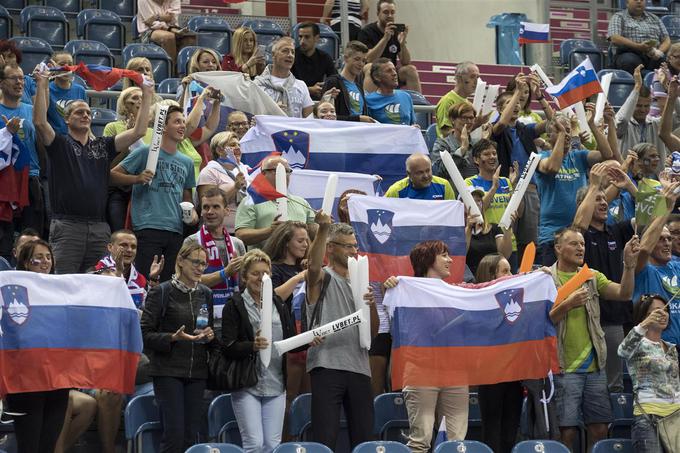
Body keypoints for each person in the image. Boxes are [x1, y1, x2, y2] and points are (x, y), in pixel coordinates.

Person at [33, 66, 153, 274]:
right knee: (64, 284)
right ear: (67, 119)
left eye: (88, 112)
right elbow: (40, 122)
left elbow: (139, 131)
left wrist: (148, 93)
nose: (86, 115)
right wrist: (42, 83)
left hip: (99, 227)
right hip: (67, 225)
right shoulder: (59, 144)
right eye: (79, 112)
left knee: (99, 284)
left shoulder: (103, 145)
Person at [548, 227, 640, 450]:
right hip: (563, 367)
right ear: (558, 248)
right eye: (573, 244)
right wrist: (568, 304)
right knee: (566, 431)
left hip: (595, 367)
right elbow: (544, 322)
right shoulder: (545, 278)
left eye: (582, 244)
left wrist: (628, 265)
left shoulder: (590, 276)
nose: (580, 248)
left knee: (599, 427)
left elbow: (624, 294)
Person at [383, 240, 469, 452]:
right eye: (444, 255)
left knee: (457, 442)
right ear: (428, 260)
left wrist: (529, 278)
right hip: (421, 371)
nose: (450, 260)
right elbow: (396, 328)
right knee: (420, 440)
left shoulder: (458, 291)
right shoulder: (404, 290)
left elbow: (491, 289)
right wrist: (392, 289)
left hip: (455, 373)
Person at [221, 249, 307, 453]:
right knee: (254, 444)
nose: (261, 278)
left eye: (265, 273)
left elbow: (289, 341)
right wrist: (252, 345)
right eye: (255, 273)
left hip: (276, 383)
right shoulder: (234, 305)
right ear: (244, 277)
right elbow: (227, 346)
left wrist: (312, 340)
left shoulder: (278, 303)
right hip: (246, 384)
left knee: (272, 446)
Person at [306, 212, 378, 450]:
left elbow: (373, 333)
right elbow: (313, 266)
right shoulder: (323, 277)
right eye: (347, 247)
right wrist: (323, 229)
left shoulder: (362, 281)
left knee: (365, 438)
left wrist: (372, 305)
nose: (353, 251)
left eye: (355, 246)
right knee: (325, 438)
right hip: (327, 364)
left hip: (359, 365)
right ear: (330, 248)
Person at [140, 242, 217, 453]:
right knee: (174, 436)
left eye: (204, 263)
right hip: (168, 371)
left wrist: (210, 336)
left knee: (191, 437)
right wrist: (171, 338)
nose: (200, 268)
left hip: (197, 373)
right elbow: (144, 334)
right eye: (196, 262)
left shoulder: (206, 294)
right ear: (180, 262)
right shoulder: (162, 292)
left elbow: (206, 330)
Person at [110, 104, 197, 282]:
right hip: (148, 227)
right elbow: (113, 176)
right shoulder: (145, 152)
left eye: (183, 122)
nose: (182, 126)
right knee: (145, 280)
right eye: (177, 122)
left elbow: (186, 195)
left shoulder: (187, 162)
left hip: (175, 229)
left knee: (169, 283)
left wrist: (192, 213)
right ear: (163, 127)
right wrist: (137, 178)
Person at [572, 164, 636, 393]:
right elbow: (578, 225)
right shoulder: (577, 237)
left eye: (605, 199)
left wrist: (630, 186)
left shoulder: (616, 231)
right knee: (586, 384)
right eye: (597, 199)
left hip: (613, 317)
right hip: (583, 317)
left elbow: (651, 217)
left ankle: (613, 428)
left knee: (615, 385)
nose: (604, 202)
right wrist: (594, 186)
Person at [5, 239, 70, 453]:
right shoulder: (9, 289)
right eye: (39, 257)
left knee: (47, 445)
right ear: (25, 261)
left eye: (48, 257)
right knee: (29, 446)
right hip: (25, 382)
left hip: (57, 381)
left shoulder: (63, 291)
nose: (45, 262)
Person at [535, 112, 613, 265]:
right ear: (549, 136)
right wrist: (562, 135)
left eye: (568, 130)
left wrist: (592, 126)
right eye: (559, 130)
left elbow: (607, 154)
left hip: (581, 235)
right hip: (552, 236)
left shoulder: (579, 156)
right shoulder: (540, 158)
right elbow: (553, 167)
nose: (566, 135)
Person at [618, 294, 680, 453]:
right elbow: (622, 351)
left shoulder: (672, 347)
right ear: (644, 316)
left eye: (665, 310)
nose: (663, 314)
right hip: (648, 417)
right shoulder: (637, 344)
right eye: (656, 311)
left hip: (675, 418)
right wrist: (644, 324)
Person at [262, 221, 311, 417]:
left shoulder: (305, 267)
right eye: (300, 240)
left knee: (307, 400)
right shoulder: (273, 268)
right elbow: (272, 297)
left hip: (308, 338)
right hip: (285, 339)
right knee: (288, 398)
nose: (305, 245)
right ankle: (285, 444)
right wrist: (299, 277)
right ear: (285, 243)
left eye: (307, 240)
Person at [474, 253, 520, 453]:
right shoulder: (474, 300)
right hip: (490, 373)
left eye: (511, 270)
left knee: (511, 432)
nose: (511, 275)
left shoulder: (518, 297)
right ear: (491, 275)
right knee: (492, 431)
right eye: (505, 271)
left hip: (515, 371)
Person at [184, 187, 246, 333]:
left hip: (233, 318)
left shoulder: (237, 244)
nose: (210, 211)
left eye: (216, 207)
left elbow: (243, 283)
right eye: (206, 207)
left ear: (226, 211)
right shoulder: (192, 242)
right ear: (201, 212)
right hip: (202, 320)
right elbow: (189, 282)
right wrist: (225, 273)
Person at [0, 64, 44, 245]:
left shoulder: (30, 109)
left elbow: (41, 141)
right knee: (4, 239)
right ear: (1, 83)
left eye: (22, 78)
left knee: (33, 239)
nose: (19, 82)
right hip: (3, 180)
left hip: (30, 177)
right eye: (14, 78)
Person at [633, 182, 680, 347]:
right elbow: (644, 248)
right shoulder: (642, 270)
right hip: (655, 348)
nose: (667, 243)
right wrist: (665, 208)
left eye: (669, 238)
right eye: (661, 239)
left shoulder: (677, 265)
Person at [235, 156, 316, 249]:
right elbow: (240, 235)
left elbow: (314, 233)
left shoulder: (301, 202)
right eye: (278, 170)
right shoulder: (251, 201)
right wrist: (269, 231)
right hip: (265, 261)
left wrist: (322, 224)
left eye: (288, 171)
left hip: (299, 262)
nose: (284, 174)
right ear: (263, 173)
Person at [465, 139, 519, 269]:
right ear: (476, 160)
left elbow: (519, 212)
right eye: (487, 154)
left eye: (494, 153)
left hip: (508, 242)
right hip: (485, 244)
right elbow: (476, 210)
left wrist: (515, 187)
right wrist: (494, 187)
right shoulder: (469, 183)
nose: (492, 157)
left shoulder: (506, 182)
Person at [104, 86, 145, 231]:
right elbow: (109, 163)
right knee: (119, 230)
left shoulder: (154, 130)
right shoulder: (113, 127)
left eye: (142, 97)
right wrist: (128, 140)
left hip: (145, 190)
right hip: (119, 190)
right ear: (124, 104)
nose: (139, 101)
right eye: (134, 98)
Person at [357, 0, 421, 93]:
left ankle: (418, 104)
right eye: (386, 12)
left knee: (410, 70)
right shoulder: (366, 32)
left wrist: (402, 44)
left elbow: (405, 62)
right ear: (378, 13)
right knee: (370, 67)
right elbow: (368, 59)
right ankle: (368, 104)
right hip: (372, 71)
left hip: (390, 71)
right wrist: (385, 38)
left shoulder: (395, 32)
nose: (390, 16)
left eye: (392, 12)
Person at [616, 64, 675, 164]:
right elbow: (622, 119)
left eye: (646, 106)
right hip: (629, 176)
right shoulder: (624, 126)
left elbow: (677, 116)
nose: (643, 110)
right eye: (638, 105)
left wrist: (671, 92)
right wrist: (637, 86)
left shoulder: (656, 124)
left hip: (656, 177)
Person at [96, 229, 165, 309]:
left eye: (133, 247)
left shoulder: (140, 280)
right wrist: (118, 272)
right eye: (124, 245)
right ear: (110, 247)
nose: (129, 250)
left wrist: (153, 278)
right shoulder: (96, 272)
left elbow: (149, 308)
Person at [197, 132, 248, 233]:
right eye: (233, 145)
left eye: (239, 145)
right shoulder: (210, 171)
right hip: (216, 233)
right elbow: (207, 205)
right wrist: (235, 187)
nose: (238, 148)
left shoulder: (244, 171)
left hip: (242, 232)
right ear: (219, 150)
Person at [255, 37, 315, 118]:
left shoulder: (301, 85)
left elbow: (310, 120)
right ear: (273, 55)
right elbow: (252, 115)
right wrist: (273, 111)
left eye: (293, 52)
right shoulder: (257, 85)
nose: (290, 55)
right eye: (285, 51)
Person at [608, 0, 670, 74]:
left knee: (669, 62)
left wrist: (659, 52)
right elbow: (615, 38)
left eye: (642, 0)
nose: (639, 1)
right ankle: (638, 84)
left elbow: (666, 40)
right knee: (629, 61)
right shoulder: (618, 17)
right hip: (628, 53)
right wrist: (638, 46)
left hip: (653, 54)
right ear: (627, 3)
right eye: (635, 0)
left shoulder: (655, 18)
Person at [464, 187, 514, 276]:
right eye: (471, 201)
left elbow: (505, 255)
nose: (476, 204)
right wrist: (468, 228)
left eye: (479, 200)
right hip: (471, 282)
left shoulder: (493, 228)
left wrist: (507, 230)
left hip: (493, 279)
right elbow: (460, 256)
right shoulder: (457, 231)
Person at [322, 41, 375, 122]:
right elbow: (326, 117)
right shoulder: (333, 82)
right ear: (346, 58)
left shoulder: (359, 86)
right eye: (357, 59)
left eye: (364, 61)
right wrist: (358, 119)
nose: (361, 64)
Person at [431, 102, 480, 181]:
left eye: (471, 118)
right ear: (452, 119)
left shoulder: (477, 144)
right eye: (464, 118)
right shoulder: (442, 144)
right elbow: (439, 172)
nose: (468, 121)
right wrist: (462, 149)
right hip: (453, 190)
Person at [292, 22, 338, 101]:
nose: (302, 41)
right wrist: (309, 90)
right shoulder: (292, 56)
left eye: (307, 37)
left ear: (316, 38)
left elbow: (335, 79)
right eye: (300, 37)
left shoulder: (325, 57)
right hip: (295, 98)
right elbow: (285, 84)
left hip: (317, 100)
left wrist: (325, 86)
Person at [46, 51, 87, 135]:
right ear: (53, 67)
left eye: (70, 64)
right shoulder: (47, 90)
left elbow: (85, 121)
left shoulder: (80, 90)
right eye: (62, 64)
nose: (67, 67)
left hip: (76, 140)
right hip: (54, 140)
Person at [435, 61, 479, 137]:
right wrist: (477, 124)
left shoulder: (469, 104)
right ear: (459, 78)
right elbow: (446, 133)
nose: (476, 81)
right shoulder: (447, 101)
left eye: (477, 77)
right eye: (472, 77)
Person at [365, 58, 415, 125]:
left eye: (394, 70)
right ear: (377, 77)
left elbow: (412, 123)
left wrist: (415, 127)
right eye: (389, 71)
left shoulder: (406, 96)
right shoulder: (368, 100)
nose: (394, 73)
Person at [385, 153, 455, 200]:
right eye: (420, 173)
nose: (426, 176)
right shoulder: (395, 191)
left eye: (428, 170)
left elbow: (452, 214)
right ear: (409, 174)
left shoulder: (444, 186)